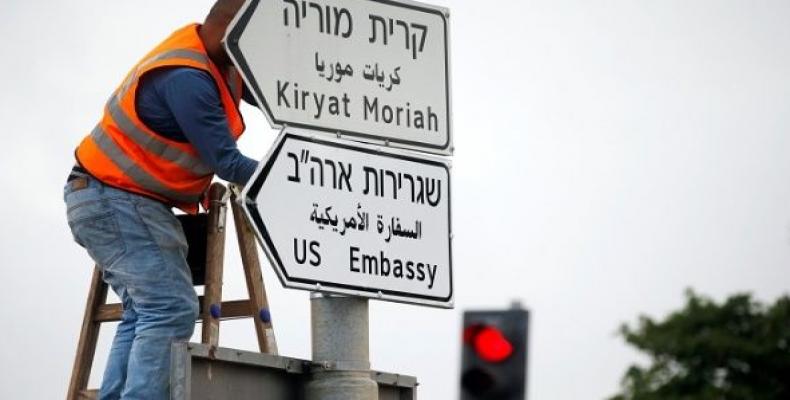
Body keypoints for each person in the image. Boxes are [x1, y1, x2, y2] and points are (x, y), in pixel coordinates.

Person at [63, 1, 254, 398]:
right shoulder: (189, 78)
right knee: (170, 309)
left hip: (111, 199)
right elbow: (228, 163)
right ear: (231, 31)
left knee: (144, 312)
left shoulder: (221, 61)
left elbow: (280, 91)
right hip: (114, 200)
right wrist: (299, 176)